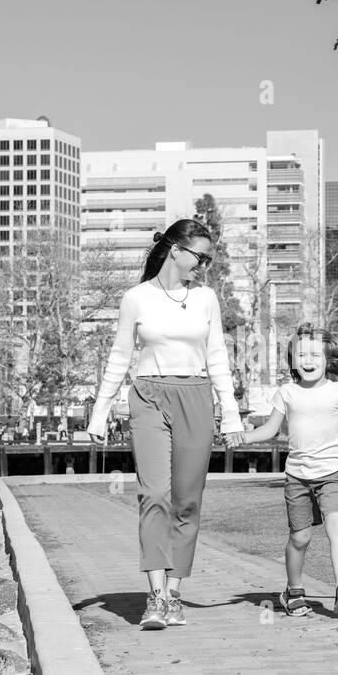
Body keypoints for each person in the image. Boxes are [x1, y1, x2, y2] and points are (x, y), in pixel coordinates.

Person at [87, 219, 244, 630]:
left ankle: (174, 593)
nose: (204, 265)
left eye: (209, 258)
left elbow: (217, 357)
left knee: (187, 502)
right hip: (148, 396)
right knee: (154, 494)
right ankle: (155, 597)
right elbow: (120, 357)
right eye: (200, 256)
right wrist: (100, 411)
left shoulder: (206, 298)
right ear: (175, 249)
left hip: (196, 396)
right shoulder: (135, 298)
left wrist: (231, 414)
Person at [242, 323, 338, 618]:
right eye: (301, 354)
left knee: (336, 526)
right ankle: (293, 589)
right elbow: (270, 430)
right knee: (300, 538)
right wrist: (242, 436)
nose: (309, 360)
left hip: (334, 474)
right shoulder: (286, 393)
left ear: (329, 359)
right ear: (292, 360)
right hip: (298, 477)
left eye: (315, 354)